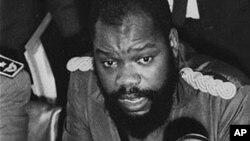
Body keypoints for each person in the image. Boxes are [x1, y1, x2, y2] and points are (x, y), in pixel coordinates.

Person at [62, 0, 250, 141]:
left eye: (144, 59)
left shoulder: (231, 101)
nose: (127, 80)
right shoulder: (83, 82)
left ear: (172, 44)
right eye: (110, 62)